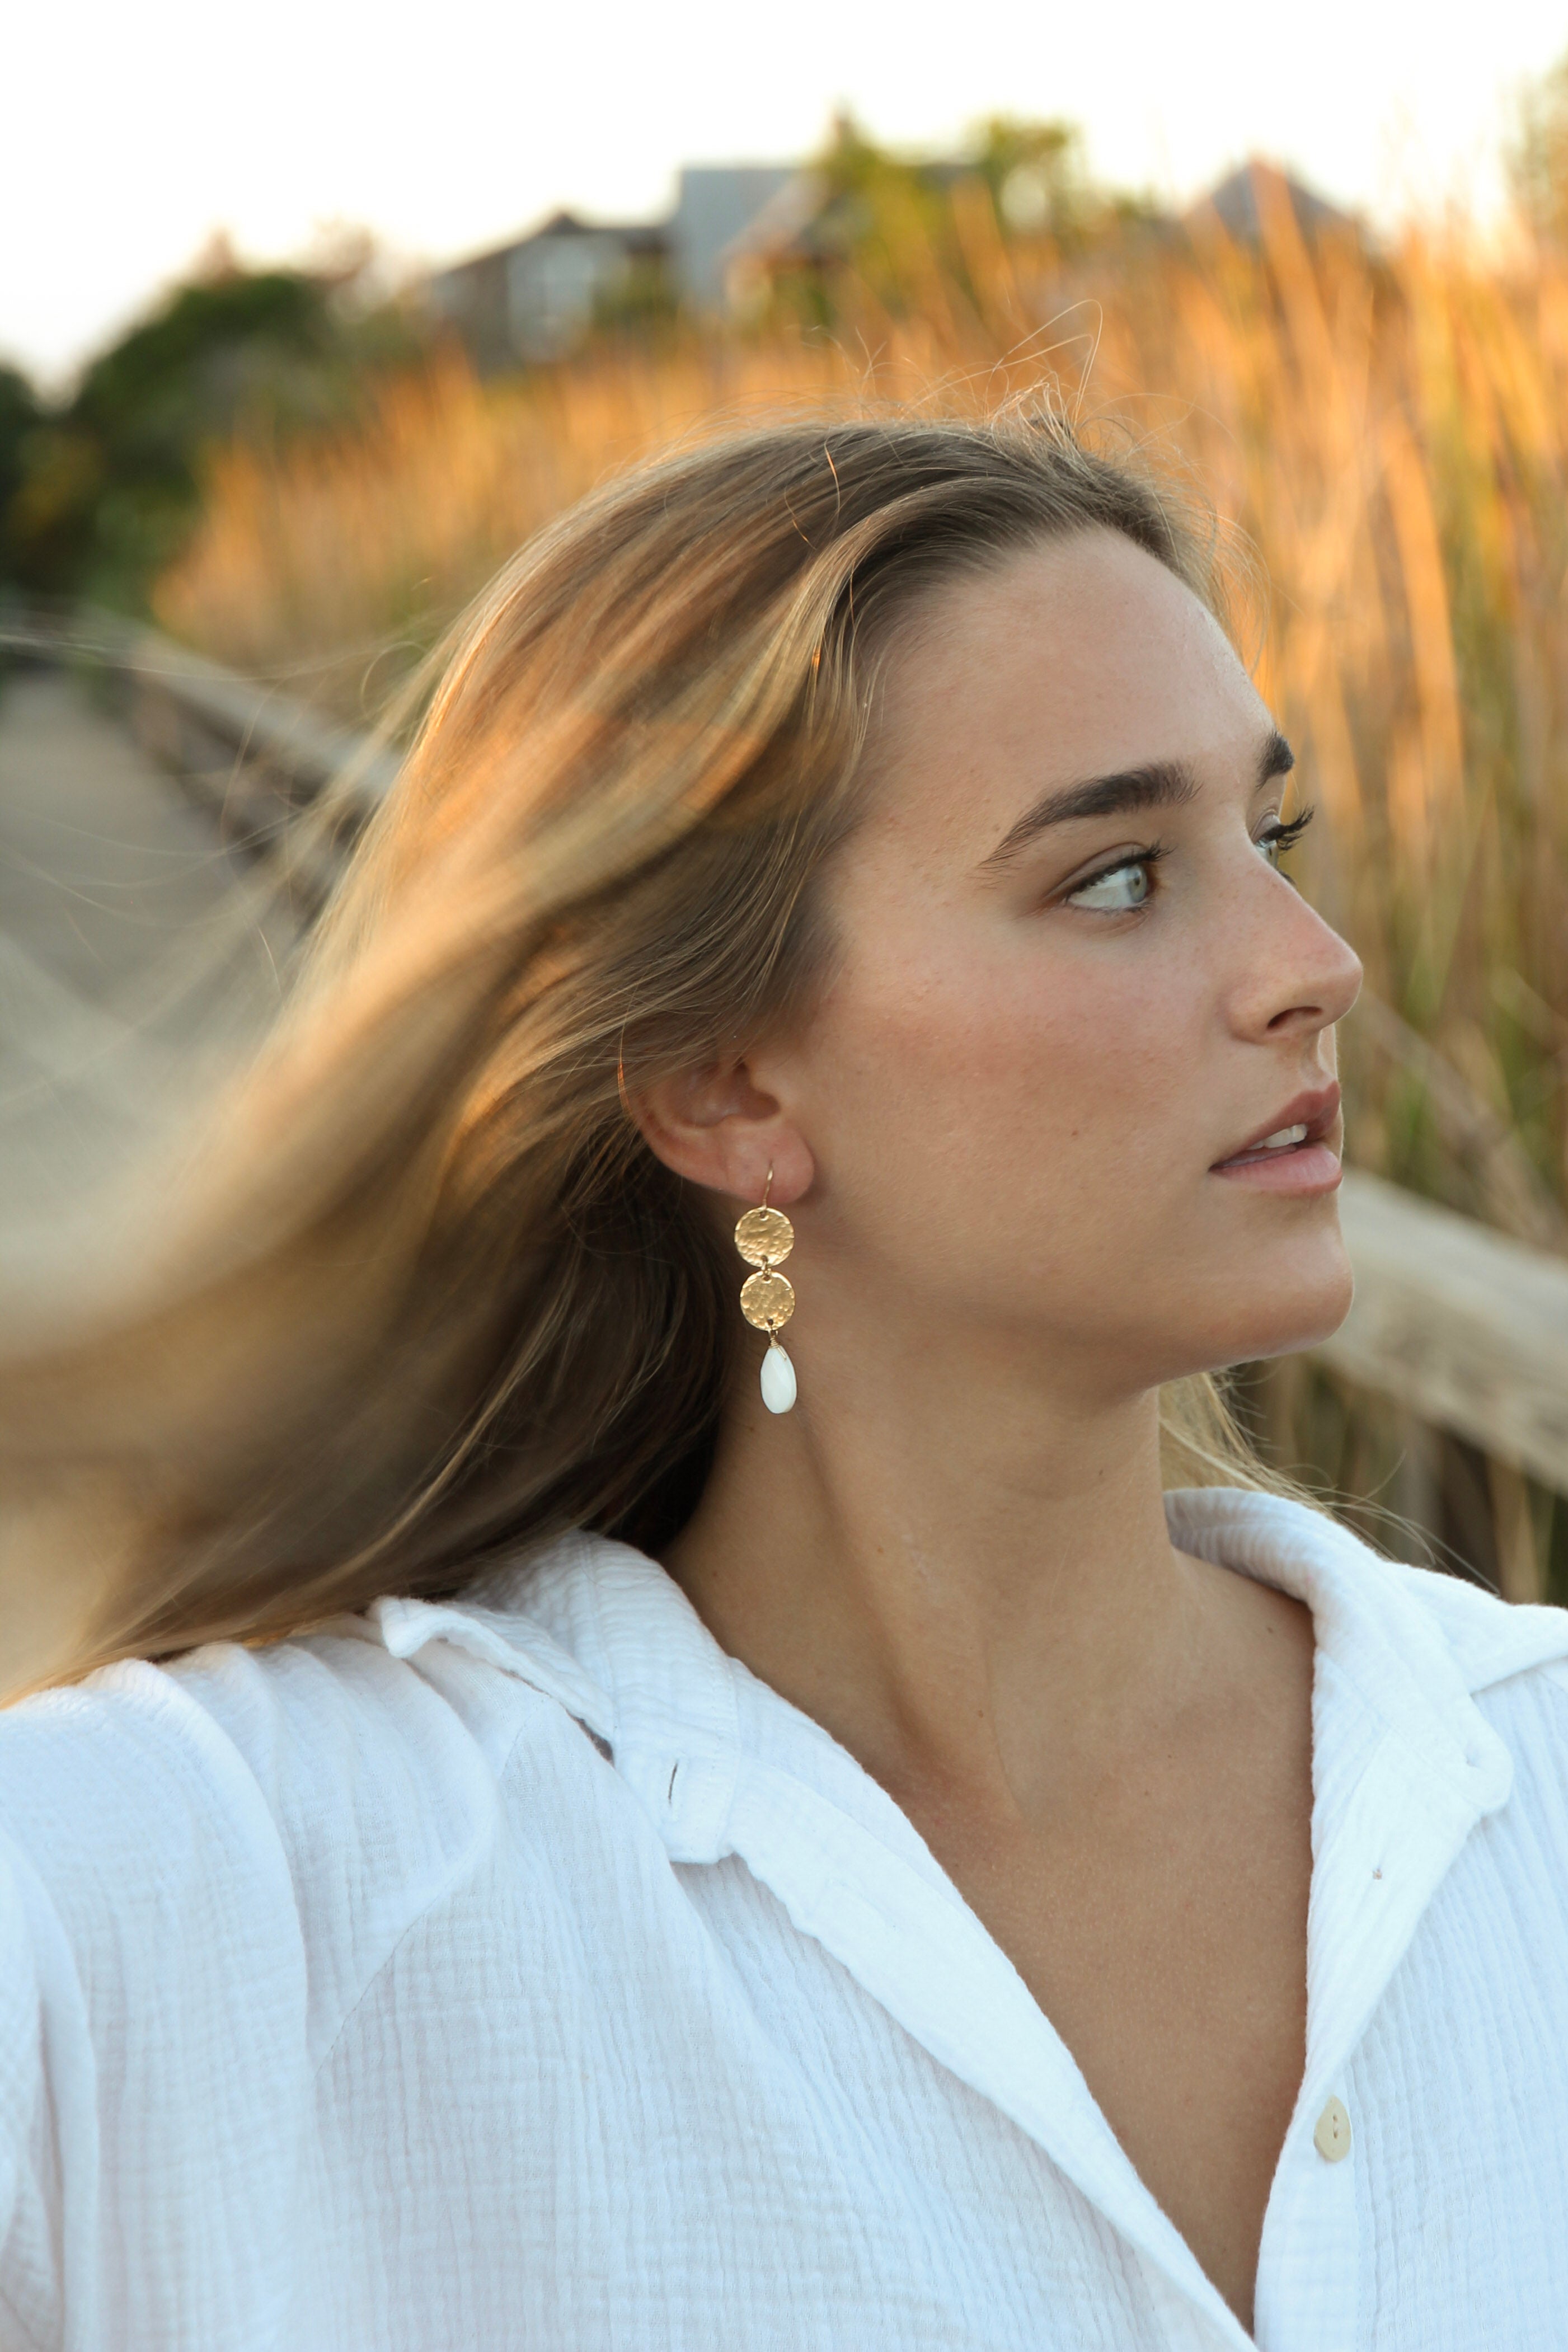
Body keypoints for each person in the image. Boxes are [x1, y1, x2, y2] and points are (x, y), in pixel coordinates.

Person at [2, 414, 1566, 2352]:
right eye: (1113, 877)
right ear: (722, 1084)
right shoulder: (246, 1878)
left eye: (1270, 838)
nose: (1310, 963)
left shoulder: (1531, 1784)